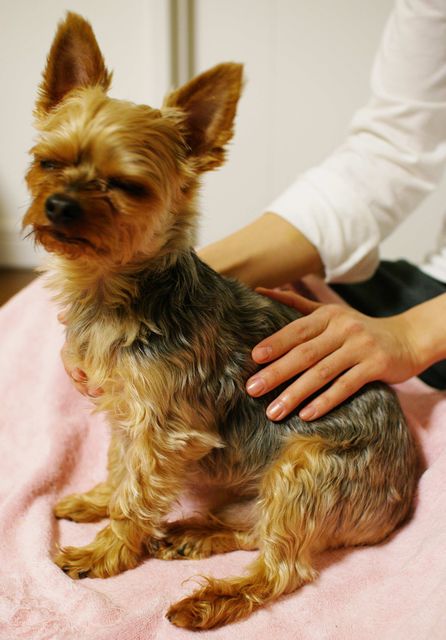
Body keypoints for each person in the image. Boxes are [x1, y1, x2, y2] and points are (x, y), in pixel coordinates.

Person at [64, 0, 446, 421]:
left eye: (123, 185)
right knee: (47, 322)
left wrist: (412, 336)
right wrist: (182, 284)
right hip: (427, 283)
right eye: (50, 164)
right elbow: (393, 149)